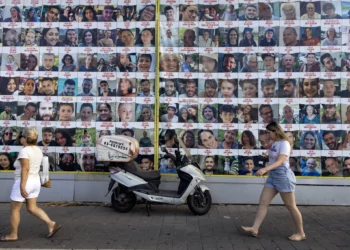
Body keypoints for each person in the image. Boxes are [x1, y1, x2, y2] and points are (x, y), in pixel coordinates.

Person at [241, 122, 305, 241]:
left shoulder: (284, 143)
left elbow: (281, 161)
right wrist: (267, 159)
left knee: (290, 206)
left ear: (275, 131)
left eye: (269, 132)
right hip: (273, 176)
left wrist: (265, 169)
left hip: (283, 176)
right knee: (263, 202)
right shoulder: (276, 143)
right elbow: (275, 158)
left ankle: (300, 233)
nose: (268, 135)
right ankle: (255, 228)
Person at [0, 127, 62, 242]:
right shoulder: (37, 149)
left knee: (15, 209)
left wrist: (22, 186)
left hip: (25, 181)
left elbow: (25, 169)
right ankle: (51, 224)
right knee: (32, 207)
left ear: (25, 138)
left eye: (21, 137)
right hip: (35, 182)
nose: (20, 139)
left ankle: (13, 235)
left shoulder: (25, 151)